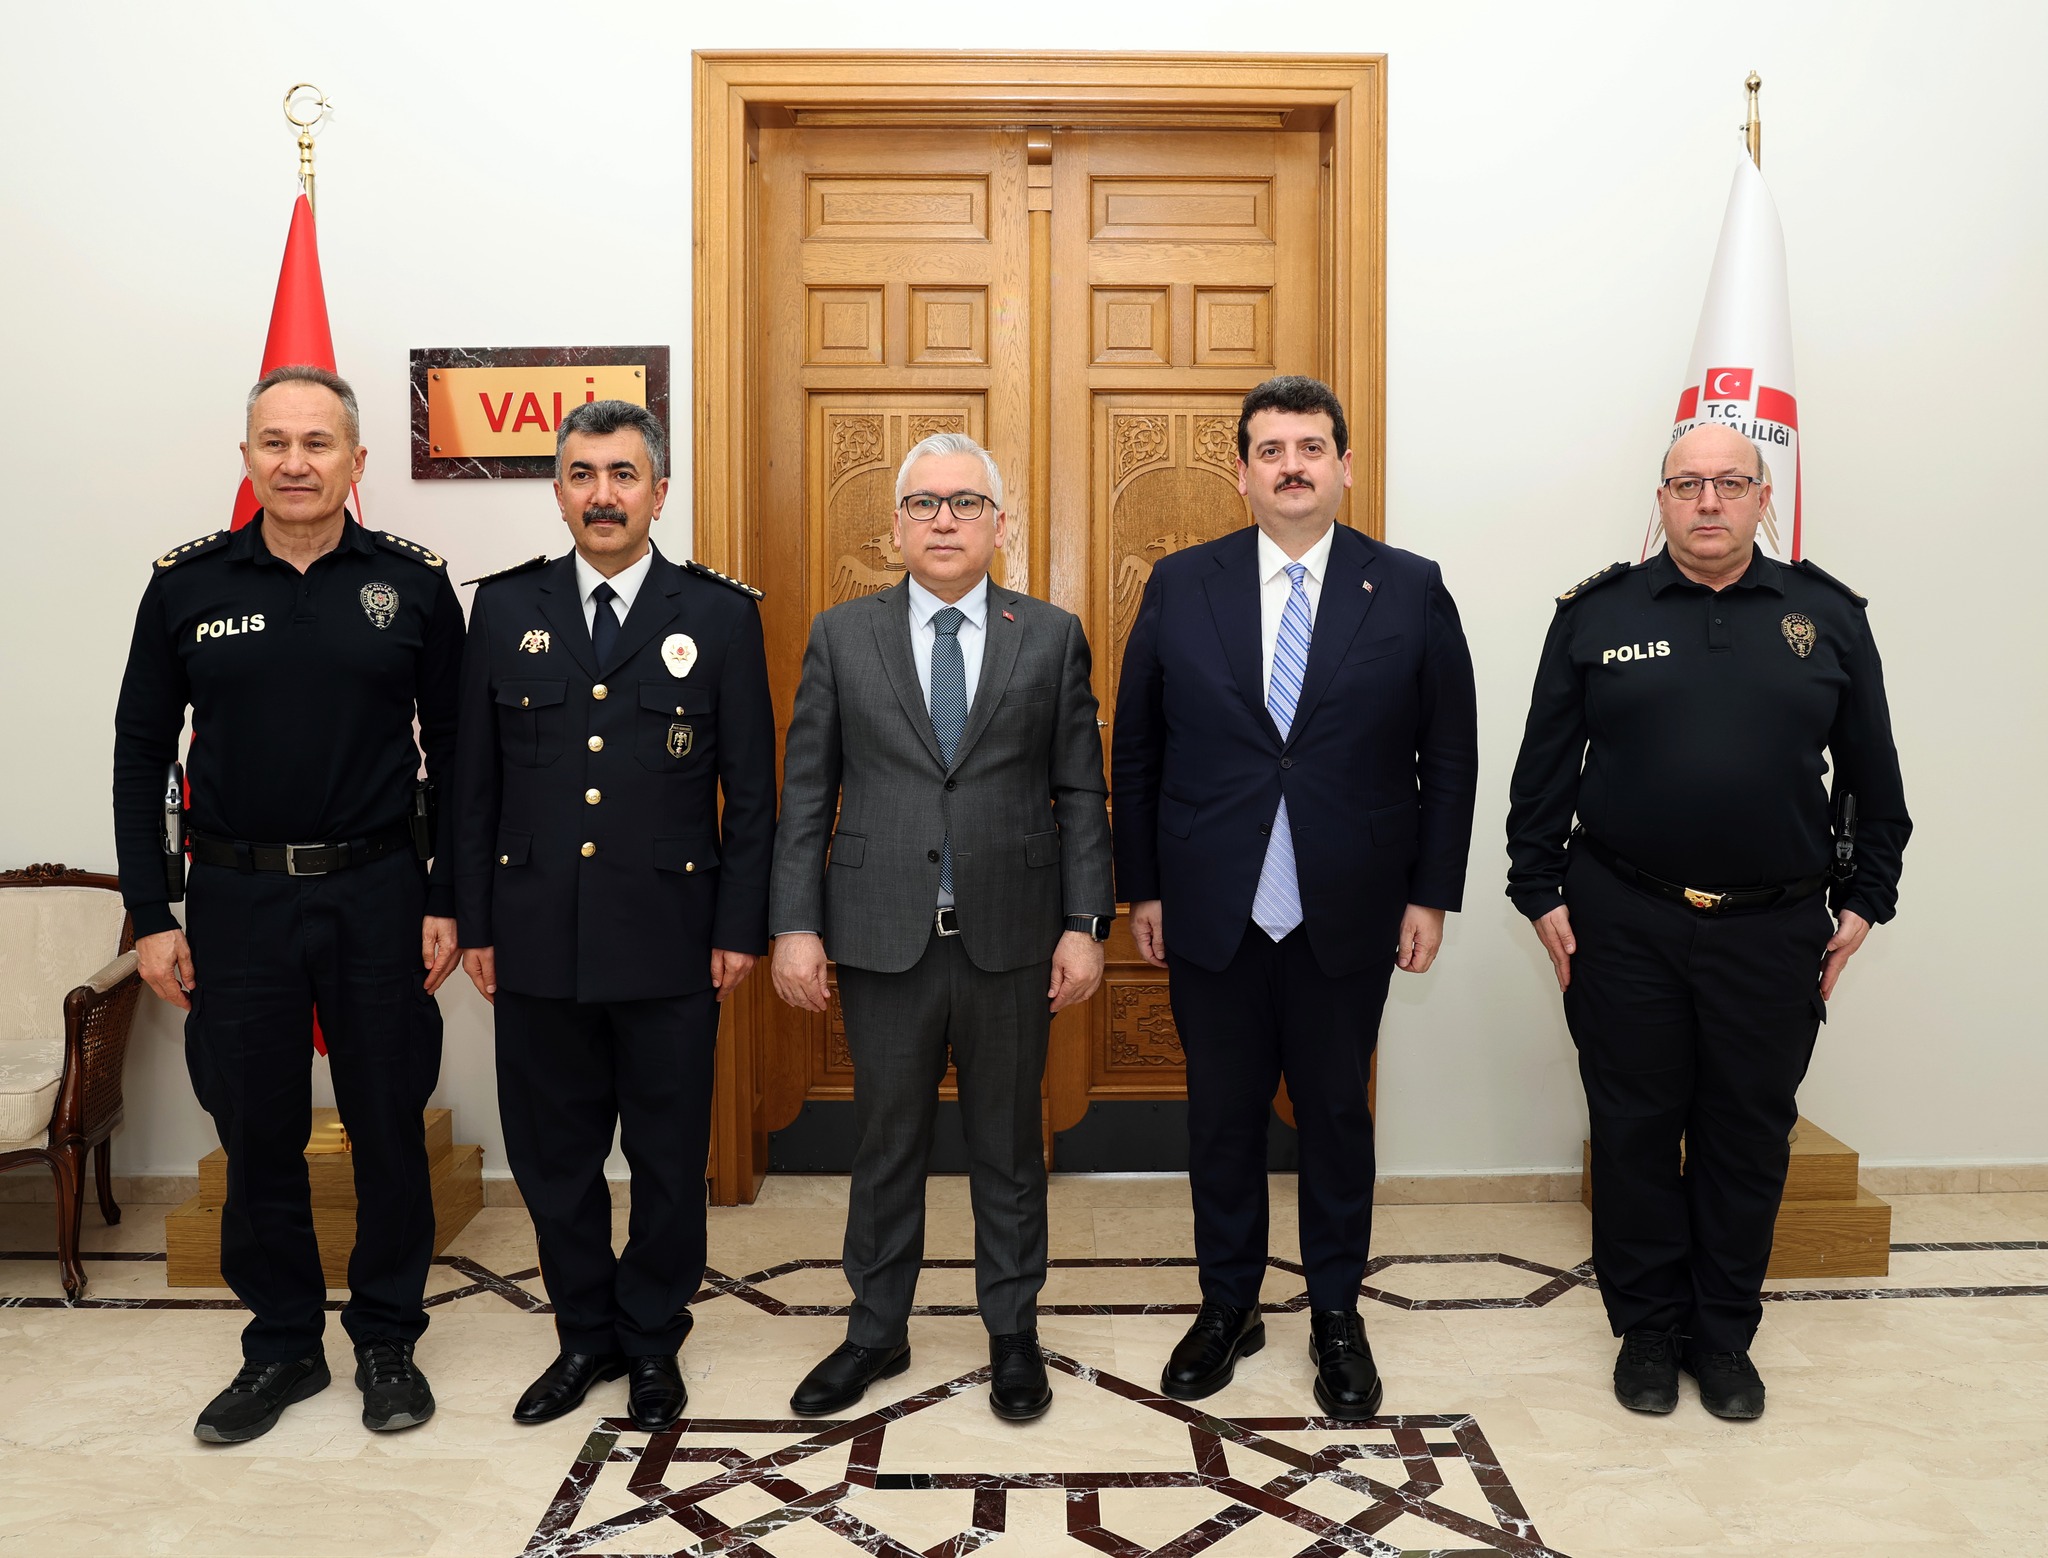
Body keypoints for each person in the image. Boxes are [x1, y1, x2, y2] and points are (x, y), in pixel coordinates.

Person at [1505, 422, 1910, 1420]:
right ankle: (1645, 1331)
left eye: (1729, 482)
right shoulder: (1595, 615)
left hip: (1770, 932)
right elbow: (1539, 780)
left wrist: (1864, 900)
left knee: (1744, 1136)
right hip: (1621, 918)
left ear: (1761, 498)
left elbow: (1873, 785)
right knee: (1635, 1129)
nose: (1707, 502)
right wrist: (1540, 892)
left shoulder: (1826, 617)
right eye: (1686, 484)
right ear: (1660, 499)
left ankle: (1721, 1332)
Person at [1111, 375, 1478, 1420]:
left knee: (1331, 1115)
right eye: (1269, 449)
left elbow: (1446, 755)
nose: (1290, 466)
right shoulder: (1182, 584)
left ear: (1344, 466)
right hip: (1207, 904)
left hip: (1350, 906)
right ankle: (1226, 1303)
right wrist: (1138, 883)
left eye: (1310, 447)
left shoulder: (1405, 586)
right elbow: (1134, 749)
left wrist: (1430, 894)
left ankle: (1333, 1313)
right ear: (1240, 472)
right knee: (1219, 1118)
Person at [112, 365, 463, 1443]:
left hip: (375, 889)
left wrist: (445, 894)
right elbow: (137, 752)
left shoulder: (410, 586)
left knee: (386, 1123)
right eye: (275, 442)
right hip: (233, 898)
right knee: (254, 1126)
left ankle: (389, 1337)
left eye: (318, 443)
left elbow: (454, 750)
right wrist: (150, 912)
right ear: (248, 458)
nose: (296, 461)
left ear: (358, 461)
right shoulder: (187, 586)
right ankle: (282, 1346)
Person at [769, 432, 1113, 1422]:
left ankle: (1012, 1333)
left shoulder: (1046, 635)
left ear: (999, 525)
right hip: (881, 937)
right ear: (893, 528)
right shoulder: (843, 636)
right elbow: (805, 795)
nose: (944, 520)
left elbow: (1077, 789)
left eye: (965, 504)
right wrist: (795, 925)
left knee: (1008, 1145)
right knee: (885, 1143)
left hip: (1012, 938)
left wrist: (1085, 922)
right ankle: (874, 1329)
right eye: (923, 504)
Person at [453, 399, 775, 1433]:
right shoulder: (503, 610)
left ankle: (650, 1337)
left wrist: (738, 927)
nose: (603, 494)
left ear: (658, 493)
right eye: (583, 474)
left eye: (623, 475)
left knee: (670, 1159)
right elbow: (471, 784)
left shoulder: (719, 614)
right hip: (536, 932)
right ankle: (583, 1332)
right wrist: (474, 922)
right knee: (555, 1159)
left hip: (672, 935)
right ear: (559, 491)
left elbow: (753, 793)